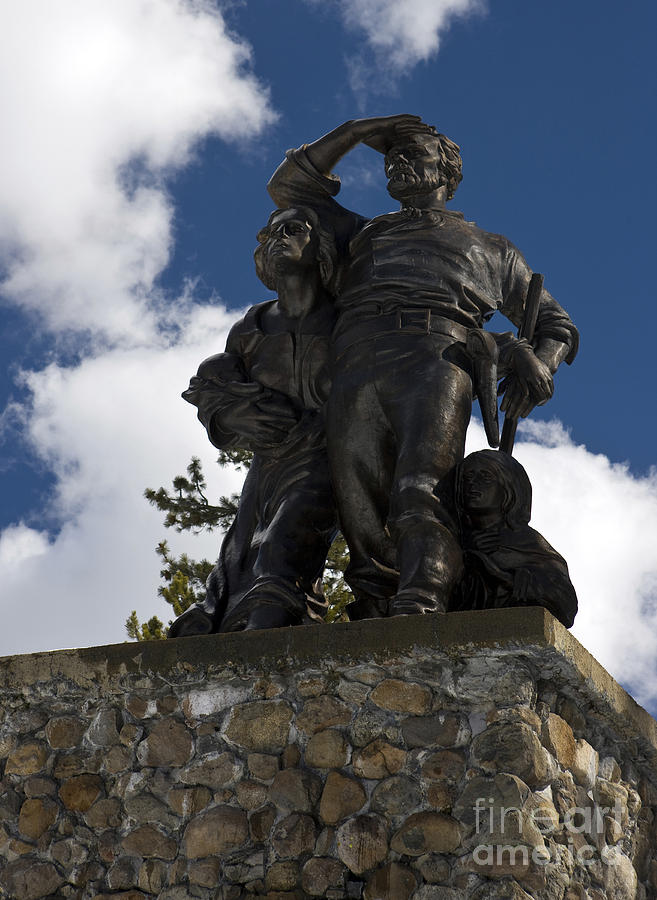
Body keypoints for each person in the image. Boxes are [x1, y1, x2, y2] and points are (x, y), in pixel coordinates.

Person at [268, 114, 579, 620]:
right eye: (392, 156)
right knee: (357, 499)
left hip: (437, 358)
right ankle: (376, 602)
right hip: (355, 357)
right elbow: (288, 187)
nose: (397, 163)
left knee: (421, 487)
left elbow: (555, 324)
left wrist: (539, 363)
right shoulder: (360, 235)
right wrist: (353, 131)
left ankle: (423, 597)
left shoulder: (492, 249)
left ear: (447, 170)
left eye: (414, 155)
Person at [168, 207, 338, 636]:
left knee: (285, 538)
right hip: (267, 461)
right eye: (270, 233)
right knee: (239, 555)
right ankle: (228, 621)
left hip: (328, 453)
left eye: (293, 229)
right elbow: (213, 392)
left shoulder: (348, 318)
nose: (277, 238)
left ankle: (265, 626)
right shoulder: (250, 328)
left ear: (320, 245)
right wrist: (234, 413)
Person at [452, 450, 577, 627]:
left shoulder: (527, 542)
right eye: (468, 476)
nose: (473, 484)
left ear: (508, 488)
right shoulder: (451, 537)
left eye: (486, 477)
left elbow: (566, 605)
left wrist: (506, 577)